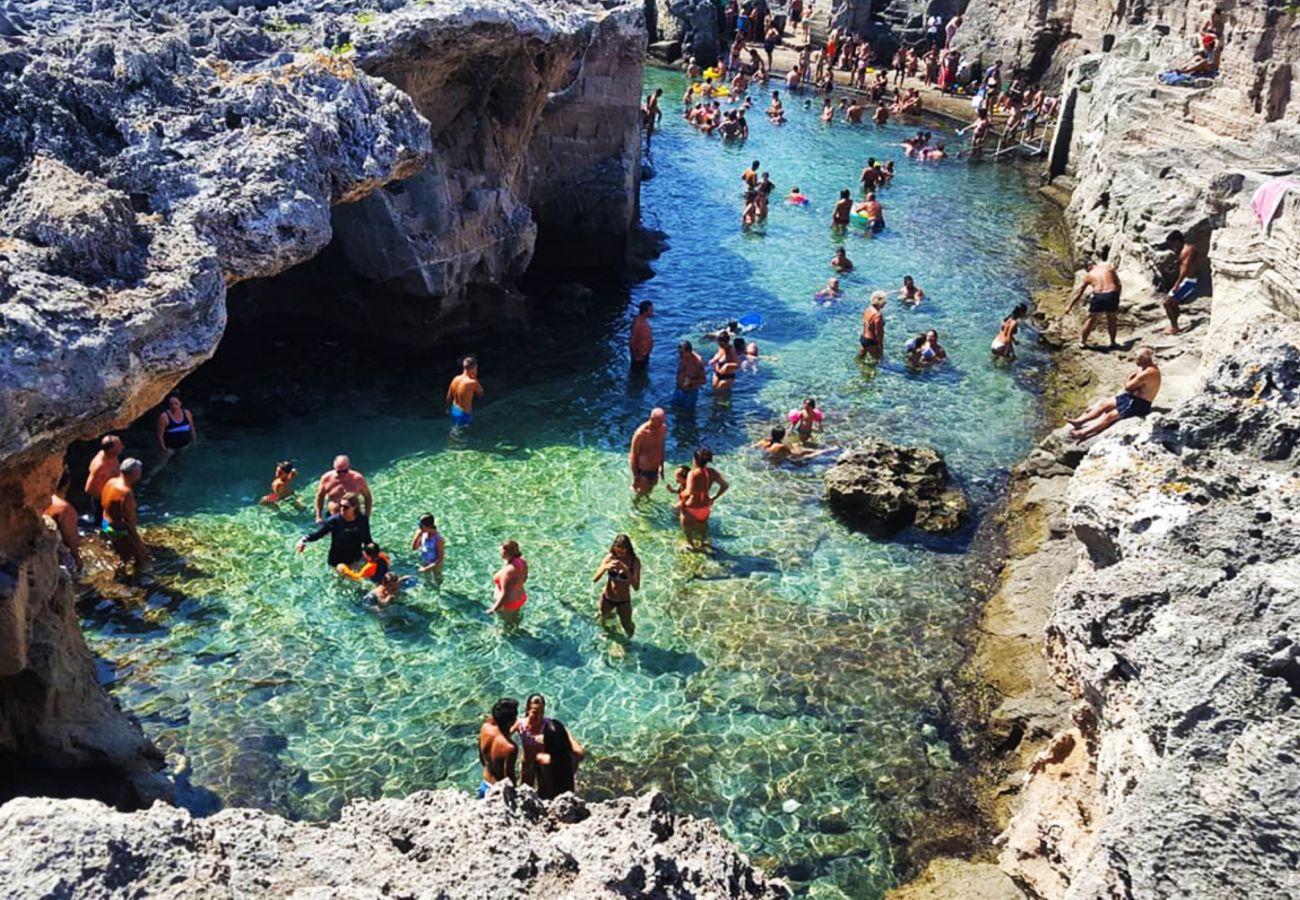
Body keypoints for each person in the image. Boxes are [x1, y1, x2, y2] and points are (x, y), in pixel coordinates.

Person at [1067, 346, 1162, 440]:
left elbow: (1128, 387)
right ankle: (1080, 421)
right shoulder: (1143, 367)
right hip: (1131, 397)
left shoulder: (1148, 372)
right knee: (1104, 404)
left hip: (1140, 404)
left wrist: (1128, 377)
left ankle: (1083, 433)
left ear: (1143, 359)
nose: (1134, 360)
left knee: (1110, 416)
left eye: (1136, 358)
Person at [297, 492, 372, 568]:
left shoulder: (362, 520)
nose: (342, 509)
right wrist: (303, 540)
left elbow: (367, 540)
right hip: (337, 561)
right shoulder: (334, 521)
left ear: (354, 507)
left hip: (356, 558)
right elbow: (318, 535)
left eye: (345, 507)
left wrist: (374, 555)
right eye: (340, 506)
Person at [101, 458, 147, 573]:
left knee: (120, 552)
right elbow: (129, 520)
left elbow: (103, 503)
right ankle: (133, 581)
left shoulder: (111, 482)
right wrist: (138, 541)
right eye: (139, 471)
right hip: (118, 530)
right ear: (134, 473)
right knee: (138, 555)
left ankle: (119, 573)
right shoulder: (126, 493)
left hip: (105, 524)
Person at [1064, 260, 1122, 348]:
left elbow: (1079, 292)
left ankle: (1082, 342)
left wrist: (1069, 306)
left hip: (1099, 296)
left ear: (1089, 267)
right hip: (1112, 294)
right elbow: (1118, 284)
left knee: (1091, 319)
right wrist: (1117, 296)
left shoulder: (1089, 275)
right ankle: (1113, 342)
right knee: (1112, 319)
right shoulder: (1109, 268)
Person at [593, 533, 641, 637]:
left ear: (628, 549)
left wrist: (626, 570)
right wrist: (605, 566)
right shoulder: (610, 557)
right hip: (607, 598)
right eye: (618, 548)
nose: (620, 551)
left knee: (627, 625)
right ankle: (607, 634)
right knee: (602, 618)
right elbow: (595, 579)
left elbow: (636, 586)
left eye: (623, 549)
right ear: (614, 547)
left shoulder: (634, 561)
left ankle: (629, 643)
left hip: (623, 601)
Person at [680, 447, 728, 541]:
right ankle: (703, 543)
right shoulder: (712, 472)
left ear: (695, 460)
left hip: (691, 507)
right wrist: (714, 497)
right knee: (703, 529)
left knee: (687, 530)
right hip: (705, 507)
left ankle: (690, 545)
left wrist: (681, 496)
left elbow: (689, 492)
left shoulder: (692, 473)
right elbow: (725, 485)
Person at [1161, 230, 1202, 335]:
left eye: (1173, 244)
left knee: (1167, 303)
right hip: (1187, 280)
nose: (1172, 247)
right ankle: (1174, 324)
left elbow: (1185, 269)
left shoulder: (1187, 250)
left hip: (1188, 281)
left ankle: (1175, 327)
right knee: (1173, 303)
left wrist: (1176, 284)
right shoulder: (1187, 249)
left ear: (1177, 241)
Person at [478, 697, 519, 797]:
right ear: (512, 721)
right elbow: (509, 779)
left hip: (484, 784)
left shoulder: (485, 728)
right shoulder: (510, 748)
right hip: (497, 791)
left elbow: (482, 758)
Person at [536, 718, 586, 800]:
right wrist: (567, 733)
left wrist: (542, 742)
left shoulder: (542, 759)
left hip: (547, 800)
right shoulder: (572, 758)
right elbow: (580, 751)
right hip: (567, 798)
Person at [44, 468, 82, 573]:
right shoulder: (64, 508)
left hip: (47, 552)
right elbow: (71, 537)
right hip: (61, 555)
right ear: (67, 485)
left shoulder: (41, 500)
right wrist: (77, 559)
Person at [314, 455, 372, 522]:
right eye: (339, 472)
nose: (342, 474)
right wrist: (318, 516)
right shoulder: (327, 478)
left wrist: (367, 516)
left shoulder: (358, 479)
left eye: (344, 471)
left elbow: (368, 497)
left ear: (349, 467)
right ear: (334, 468)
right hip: (334, 518)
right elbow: (320, 497)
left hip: (354, 518)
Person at [85, 434, 123, 529]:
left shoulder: (112, 455)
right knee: (103, 526)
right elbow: (88, 489)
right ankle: (103, 539)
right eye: (119, 446)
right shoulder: (100, 466)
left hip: (112, 495)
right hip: (102, 501)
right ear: (110, 449)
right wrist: (105, 499)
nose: (122, 446)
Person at [629, 408, 668, 496]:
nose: (662, 423)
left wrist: (661, 466)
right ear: (652, 419)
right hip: (643, 471)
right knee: (639, 494)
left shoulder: (663, 428)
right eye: (660, 421)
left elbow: (661, 447)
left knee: (649, 492)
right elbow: (633, 455)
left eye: (663, 421)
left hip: (655, 469)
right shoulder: (641, 433)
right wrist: (636, 476)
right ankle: (634, 508)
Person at [488, 540, 528, 619]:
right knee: (515, 619)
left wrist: (493, 609)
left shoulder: (507, 573)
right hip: (521, 597)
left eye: (501, 551)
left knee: (506, 625)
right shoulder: (521, 562)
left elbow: (504, 595)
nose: (500, 552)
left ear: (506, 553)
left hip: (509, 603)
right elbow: (525, 578)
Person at [755, 426, 836, 463]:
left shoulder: (764, 441)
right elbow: (794, 454)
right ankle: (826, 451)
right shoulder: (780, 446)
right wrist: (807, 451)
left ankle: (821, 450)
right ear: (782, 436)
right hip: (777, 462)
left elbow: (754, 447)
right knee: (808, 455)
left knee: (796, 445)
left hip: (769, 458)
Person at [445, 355, 484, 429]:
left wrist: (447, 408)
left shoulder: (456, 379)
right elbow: (481, 393)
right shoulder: (472, 382)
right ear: (474, 368)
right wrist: (475, 377)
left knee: (455, 427)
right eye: (476, 368)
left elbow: (449, 396)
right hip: (464, 413)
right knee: (458, 432)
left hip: (454, 409)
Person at [673, 341, 707, 409]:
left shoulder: (697, 362)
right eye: (679, 353)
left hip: (690, 393)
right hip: (678, 388)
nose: (680, 355)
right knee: (674, 409)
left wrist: (691, 382)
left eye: (682, 353)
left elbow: (704, 380)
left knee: (688, 413)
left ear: (689, 351)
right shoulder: (683, 357)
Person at [858, 291, 886, 361]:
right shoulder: (877, 316)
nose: (885, 303)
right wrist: (881, 348)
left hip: (863, 338)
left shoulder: (867, 310)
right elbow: (878, 334)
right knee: (877, 361)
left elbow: (865, 325)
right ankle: (870, 372)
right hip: (871, 341)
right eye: (884, 301)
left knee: (859, 359)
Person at [630, 300, 655, 368]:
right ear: (645, 312)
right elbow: (633, 340)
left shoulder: (641, 320)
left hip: (643, 355)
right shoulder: (639, 324)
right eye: (651, 310)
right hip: (640, 357)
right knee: (639, 375)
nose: (653, 312)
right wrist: (636, 355)